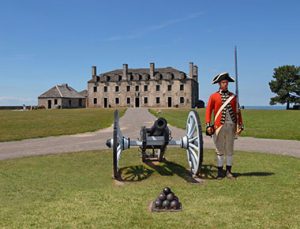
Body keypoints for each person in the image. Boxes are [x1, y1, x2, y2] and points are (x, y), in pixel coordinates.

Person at [205, 72, 244, 179]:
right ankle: (220, 172)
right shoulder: (214, 96)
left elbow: (238, 111)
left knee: (230, 149)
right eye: (223, 82)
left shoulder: (233, 97)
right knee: (220, 150)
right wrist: (208, 125)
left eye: (226, 82)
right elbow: (208, 111)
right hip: (219, 126)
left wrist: (240, 125)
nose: (225, 84)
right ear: (219, 84)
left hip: (231, 126)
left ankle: (229, 171)